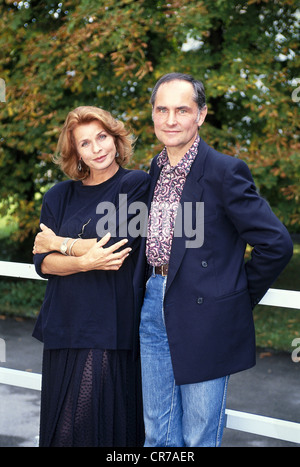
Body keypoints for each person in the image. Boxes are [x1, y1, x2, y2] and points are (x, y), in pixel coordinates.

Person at [137, 73, 293, 447]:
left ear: (201, 115)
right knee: (158, 432)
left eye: (182, 110)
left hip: (205, 316)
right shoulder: (154, 169)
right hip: (151, 307)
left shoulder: (225, 171)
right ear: (153, 114)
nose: (170, 119)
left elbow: (276, 243)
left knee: (198, 435)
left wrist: (234, 297)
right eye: (162, 109)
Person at [32, 105, 150, 447]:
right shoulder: (59, 195)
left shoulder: (135, 183)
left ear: (116, 139)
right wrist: (82, 259)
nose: (97, 148)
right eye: (85, 143)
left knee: (86, 428)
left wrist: (60, 244)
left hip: (108, 326)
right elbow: (42, 263)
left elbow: (116, 248)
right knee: (59, 431)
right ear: (76, 152)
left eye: (102, 137)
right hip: (63, 323)